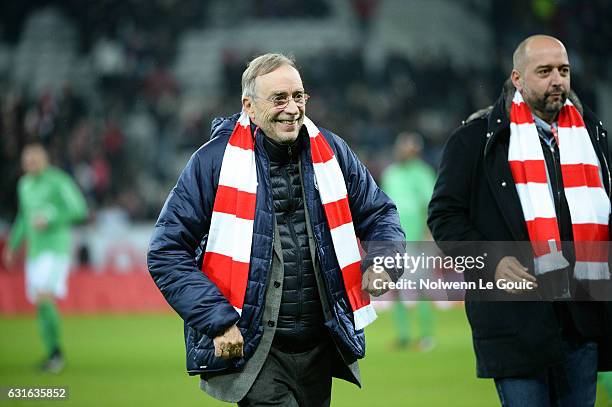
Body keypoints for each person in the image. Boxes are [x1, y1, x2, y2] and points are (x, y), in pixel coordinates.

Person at [147, 53, 404, 406]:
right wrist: (217, 321)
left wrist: (383, 260)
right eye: (279, 98)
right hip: (255, 352)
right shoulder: (212, 162)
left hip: (320, 348)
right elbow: (166, 252)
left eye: (298, 96)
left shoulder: (333, 152)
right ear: (249, 107)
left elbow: (379, 212)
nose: (292, 108)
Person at [428, 35, 612, 406]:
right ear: (517, 78)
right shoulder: (476, 139)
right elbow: (444, 218)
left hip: (582, 320)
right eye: (544, 71)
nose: (557, 80)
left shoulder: (592, 136)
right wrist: (492, 260)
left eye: (563, 70)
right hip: (516, 321)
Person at [3, 143, 88, 373]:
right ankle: (52, 353)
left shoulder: (58, 181)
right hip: (34, 252)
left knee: (43, 297)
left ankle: (56, 355)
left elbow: (80, 209)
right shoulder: (25, 185)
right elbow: (23, 217)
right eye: (26, 161)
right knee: (40, 304)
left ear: (44, 160)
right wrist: (12, 245)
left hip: (55, 249)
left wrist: (51, 218)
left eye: (34, 160)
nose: (30, 165)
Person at [381, 132, 436, 351]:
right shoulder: (391, 174)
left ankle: (425, 335)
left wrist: (428, 234)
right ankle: (404, 335)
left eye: (409, 149)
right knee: (396, 288)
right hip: (395, 242)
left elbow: (432, 207)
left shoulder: (423, 174)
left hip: (419, 241)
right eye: (403, 148)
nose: (405, 152)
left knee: (422, 288)